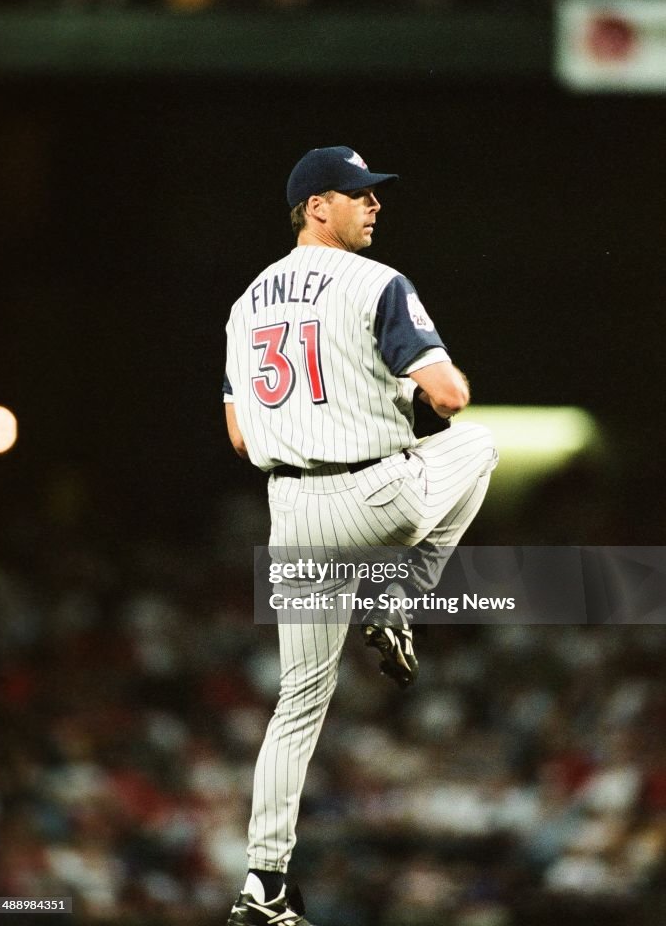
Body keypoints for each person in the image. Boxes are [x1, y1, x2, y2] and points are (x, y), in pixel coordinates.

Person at [224, 145, 498, 926]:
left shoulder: (245, 303)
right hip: (377, 494)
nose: (374, 205)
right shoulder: (377, 282)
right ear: (317, 207)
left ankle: (261, 883)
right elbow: (447, 397)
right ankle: (398, 598)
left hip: (292, 511)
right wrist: (409, 380)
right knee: (477, 444)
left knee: (297, 702)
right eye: (358, 195)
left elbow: (240, 436)